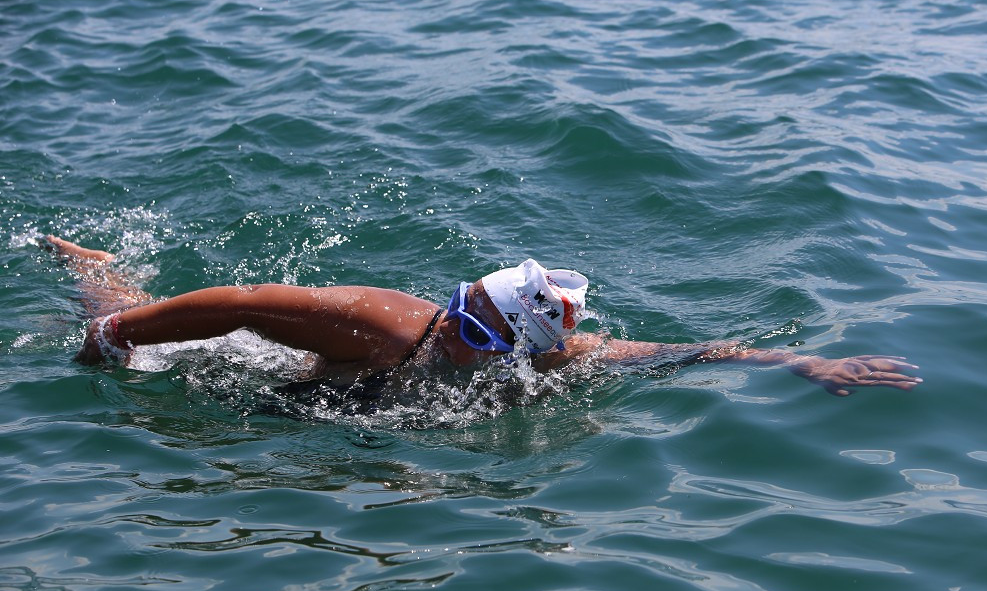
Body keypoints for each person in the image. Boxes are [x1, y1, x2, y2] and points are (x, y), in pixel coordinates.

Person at [45, 235, 922, 397]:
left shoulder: (552, 364)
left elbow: (679, 351)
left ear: (518, 350)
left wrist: (795, 363)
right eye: (458, 318)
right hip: (271, 358)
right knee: (149, 334)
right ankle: (99, 276)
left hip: (346, 399)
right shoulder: (386, 322)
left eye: (476, 334)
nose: (456, 334)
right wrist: (111, 337)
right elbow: (234, 304)